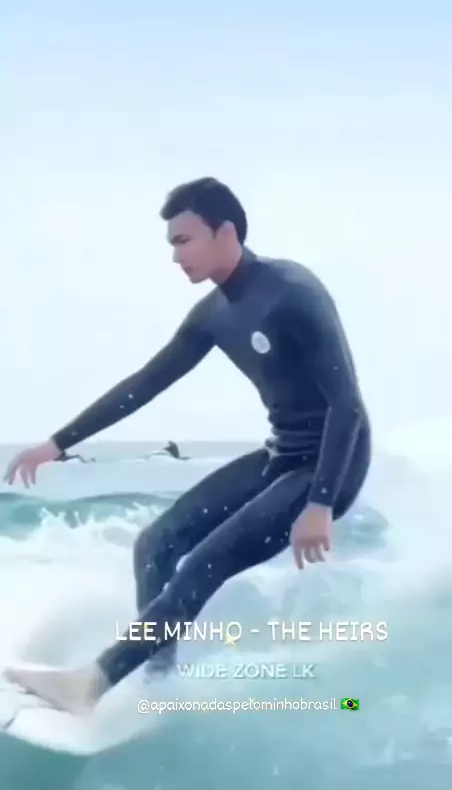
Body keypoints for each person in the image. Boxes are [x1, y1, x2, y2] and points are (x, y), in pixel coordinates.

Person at [3, 177, 372, 714]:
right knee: (154, 544)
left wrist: (320, 503)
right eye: (172, 244)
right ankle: (157, 682)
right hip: (283, 456)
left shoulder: (293, 292)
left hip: (333, 463)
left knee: (202, 563)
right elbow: (144, 384)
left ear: (227, 233)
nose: (176, 256)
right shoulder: (213, 314)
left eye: (184, 240)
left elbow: (347, 405)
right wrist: (57, 444)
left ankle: (92, 683)